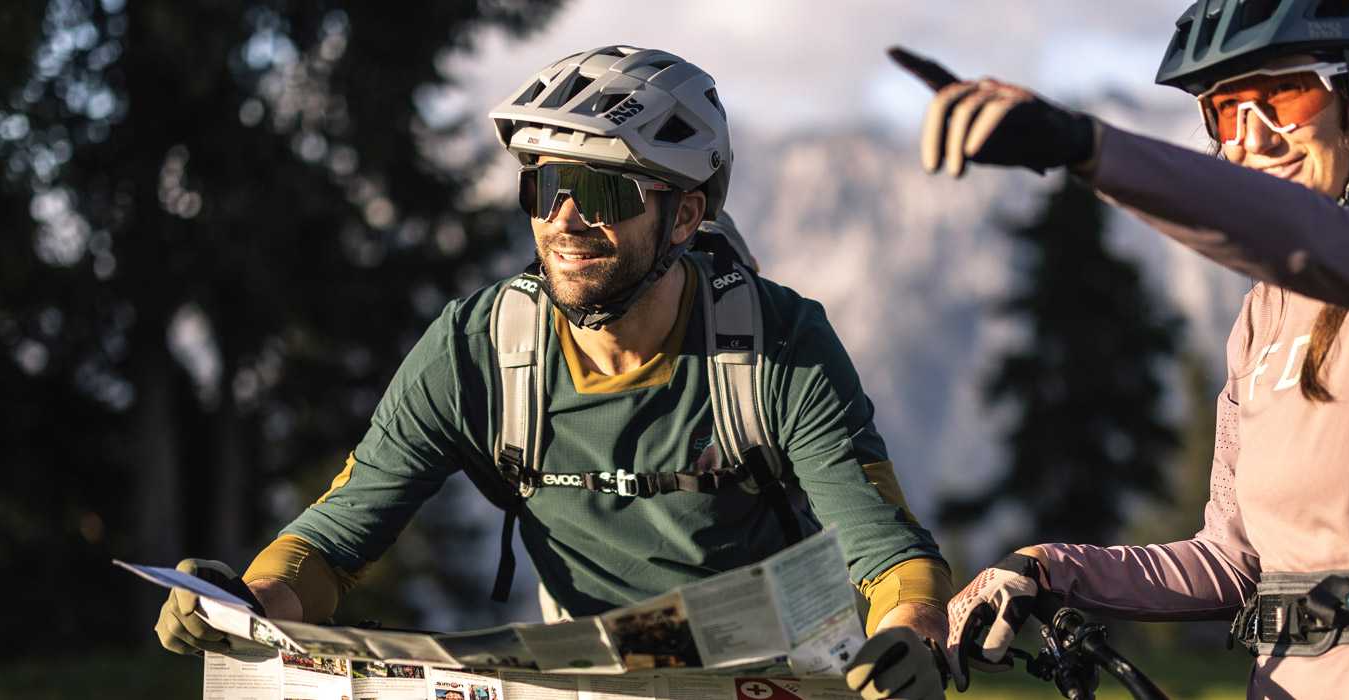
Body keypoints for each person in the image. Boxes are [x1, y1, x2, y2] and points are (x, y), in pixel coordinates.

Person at [153, 46, 952, 699]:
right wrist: (246, 602)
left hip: (775, 671)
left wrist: (910, 632)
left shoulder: (779, 343)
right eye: (544, 185)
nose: (565, 220)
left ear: (683, 216)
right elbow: (336, 539)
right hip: (588, 678)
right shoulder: (476, 348)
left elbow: (886, 552)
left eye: (601, 188)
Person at [891, 1, 1349, 697]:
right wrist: (1045, 566)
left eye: (1287, 93)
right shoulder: (1261, 318)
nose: (1256, 137)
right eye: (1226, 111)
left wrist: (1085, 146)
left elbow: (1314, 240)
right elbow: (1229, 562)